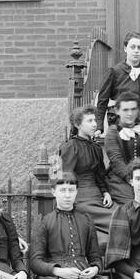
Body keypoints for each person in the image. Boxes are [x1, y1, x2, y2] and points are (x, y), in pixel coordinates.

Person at [58, 105, 113, 246]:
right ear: (77, 125)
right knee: (116, 219)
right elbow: (65, 177)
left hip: (98, 198)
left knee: (122, 214)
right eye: (89, 121)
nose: (95, 124)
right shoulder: (71, 147)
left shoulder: (96, 148)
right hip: (81, 200)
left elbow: (100, 175)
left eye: (95, 120)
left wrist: (106, 192)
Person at [95, 31, 140, 127]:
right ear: (125, 48)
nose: (136, 51)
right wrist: (99, 126)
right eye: (132, 47)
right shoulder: (114, 72)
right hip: (118, 121)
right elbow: (102, 101)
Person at [103, 92, 140, 205]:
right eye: (125, 110)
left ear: (139, 110)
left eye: (133, 109)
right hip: (119, 180)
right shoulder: (113, 133)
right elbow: (117, 162)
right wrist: (133, 180)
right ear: (117, 111)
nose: (130, 113)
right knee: (134, 204)